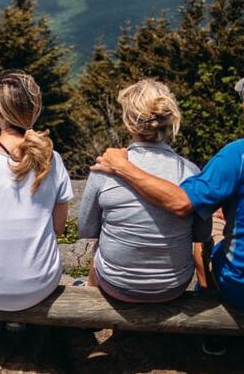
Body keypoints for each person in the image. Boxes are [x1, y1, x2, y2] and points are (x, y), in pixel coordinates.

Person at [92, 68, 244, 314]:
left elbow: (181, 203)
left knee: (206, 227)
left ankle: (209, 317)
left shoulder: (240, 153)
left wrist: (123, 166)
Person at [0, 71, 73, 333]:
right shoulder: (52, 160)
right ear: (34, 112)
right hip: (39, 284)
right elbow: (59, 227)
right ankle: (19, 319)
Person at [79, 79, 210, 303]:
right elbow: (201, 234)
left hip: (116, 285)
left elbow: (87, 229)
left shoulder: (105, 169)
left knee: (100, 245)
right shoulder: (191, 171)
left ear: (129, 123)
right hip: (173, 286)